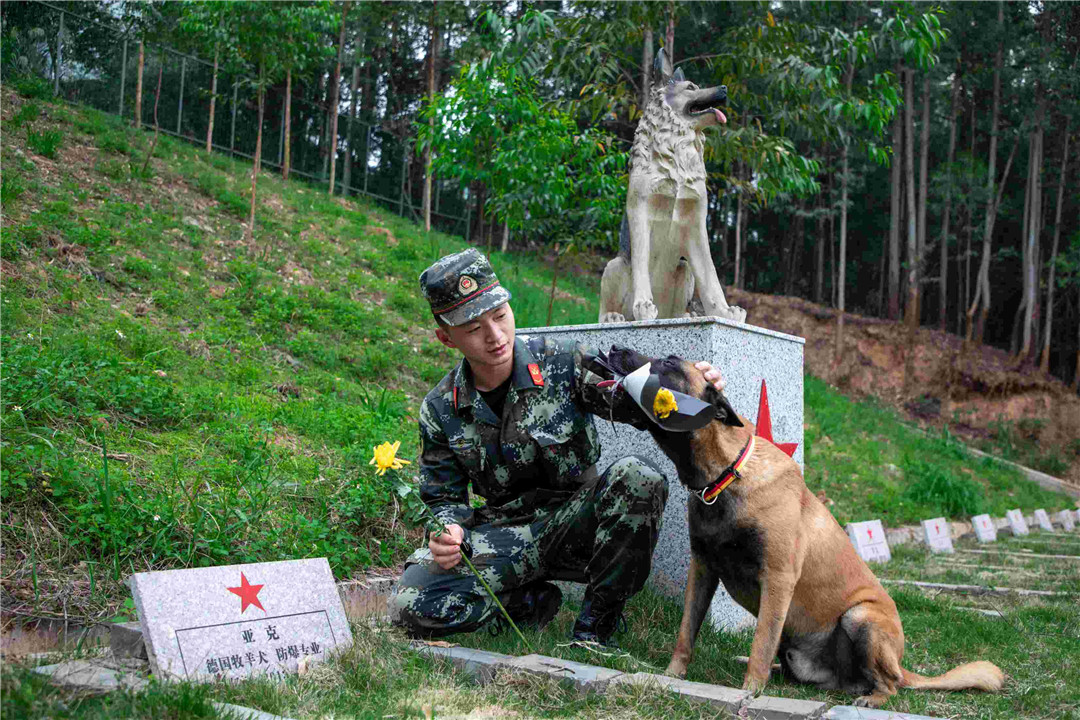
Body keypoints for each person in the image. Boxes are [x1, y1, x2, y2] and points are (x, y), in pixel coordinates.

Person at [388, 248, 726, 647]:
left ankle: (595, 630)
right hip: (503, 535)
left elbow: (638, 396)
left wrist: (693, 387)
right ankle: (525, 602)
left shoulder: (561, 362)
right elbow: (441, 496)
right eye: (475, 328)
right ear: (446, 338)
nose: (495, 336)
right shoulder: (441, 408)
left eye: (500, 316)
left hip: (578, 526)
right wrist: (446, 530)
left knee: (639, 477)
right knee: (410, 603)